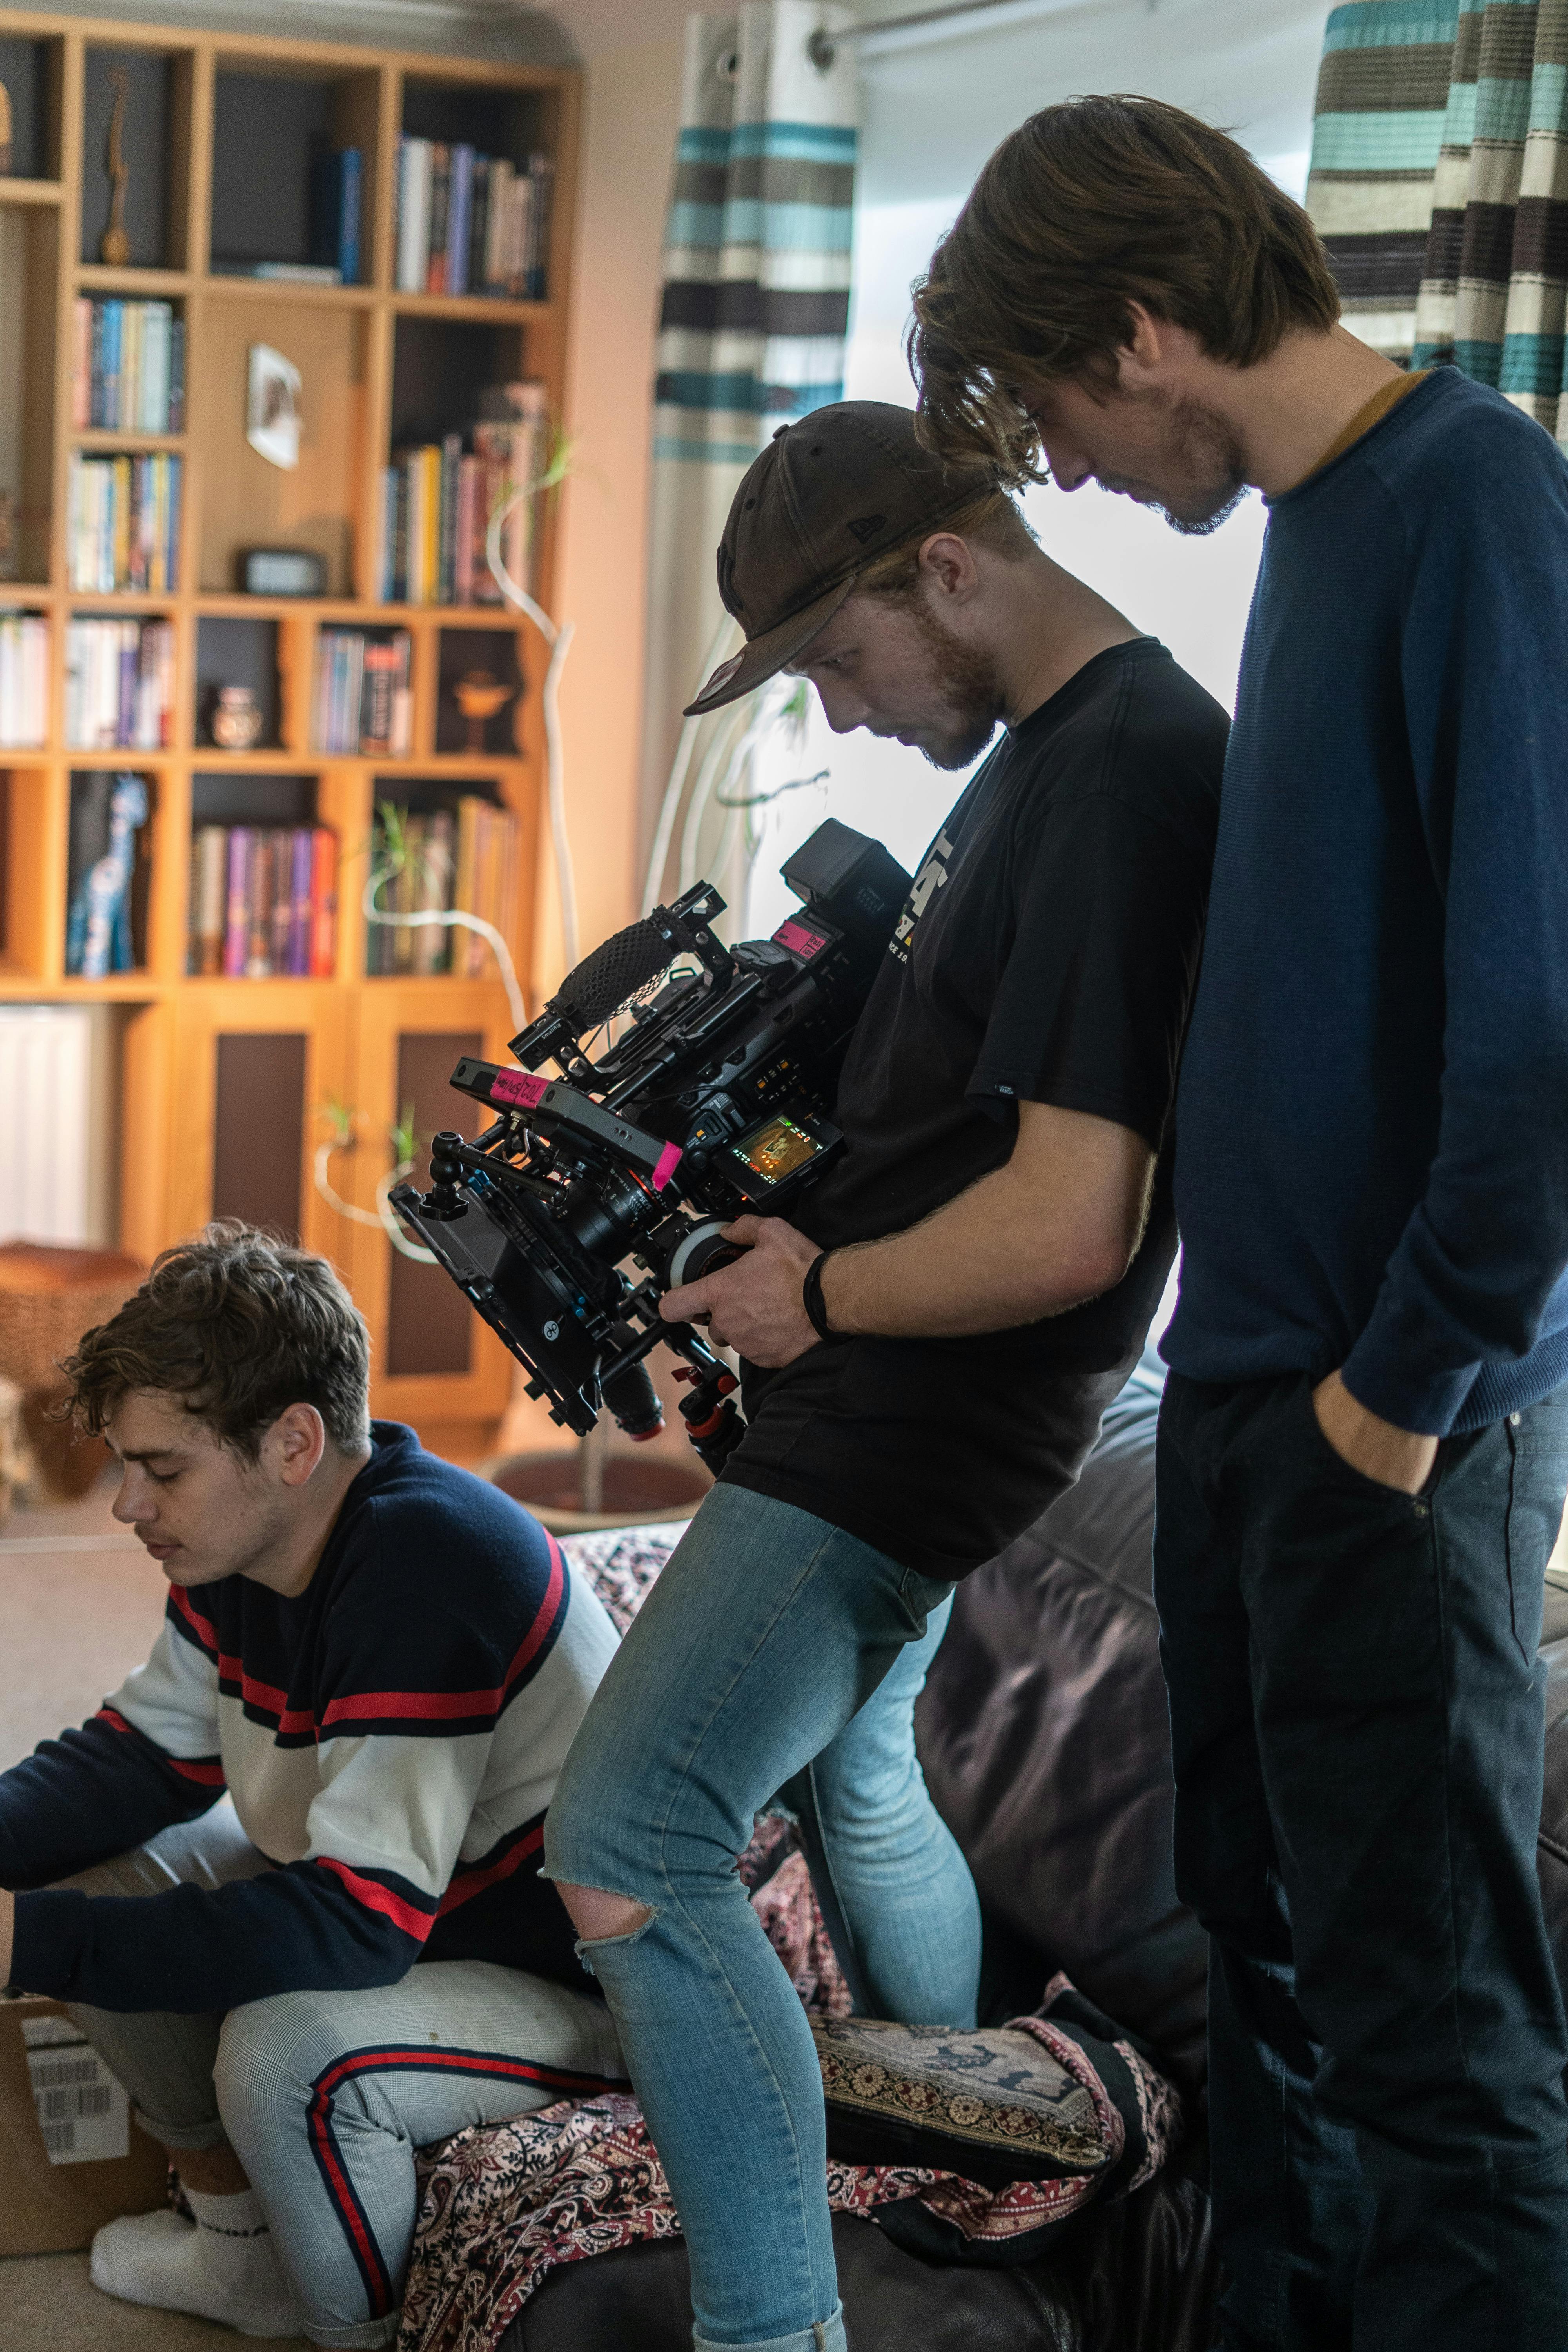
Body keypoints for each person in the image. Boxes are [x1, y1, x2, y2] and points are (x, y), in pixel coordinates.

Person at [909, 94, 1568, 2350]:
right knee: (1269, 2028)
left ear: (1152, 324)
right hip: (1253, 1394)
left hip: (1390, 1423)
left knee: (1439, 2066)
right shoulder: (1317, 524)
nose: (1076, 472)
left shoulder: (1472, 495)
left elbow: (1544, 1035)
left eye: (1068, 408)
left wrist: (1397, 1403)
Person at [543, 397, 1226, 2352]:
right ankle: (957, 2157)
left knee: (632, 1839)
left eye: (841, 659)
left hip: (917, 1417)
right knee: (858, 1769)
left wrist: (821, 1297)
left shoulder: (1122, 777)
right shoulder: (1042, 762)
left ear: (948, 565)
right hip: (900, 1396)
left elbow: (1078, 1222)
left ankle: (779, 2333)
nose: (839, 714)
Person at [0, 1223, 623, 2346]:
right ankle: (247, 2256)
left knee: (285, 2056)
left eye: (162, 1468)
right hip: (426, 1914)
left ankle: (364, 2332)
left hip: (568, 1981)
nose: (126, 1508)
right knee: (95, 1874)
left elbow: (357, 1927)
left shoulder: (424, 1568)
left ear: (293, 1443)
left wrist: (24, 1944)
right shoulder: (243, 1546)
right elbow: (135, 1763)